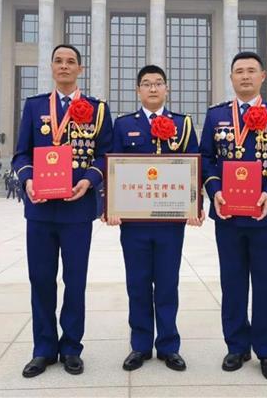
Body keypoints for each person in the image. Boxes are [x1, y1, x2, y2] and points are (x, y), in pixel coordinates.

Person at [12, 44, 113, 378]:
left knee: (75, 280)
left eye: (71, 62)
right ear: (51, 67)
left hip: (76, 209)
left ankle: (71, 347)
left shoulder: (97, 110)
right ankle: (43, 348)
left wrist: (89, 180)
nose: (65, 66)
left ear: (80, 69)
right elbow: (21, 154)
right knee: (40, 279)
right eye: (59, 61)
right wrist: (26, 180)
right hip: (40, 209)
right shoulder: (35, 106)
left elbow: (104, 154)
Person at [200, 51, 267, 381]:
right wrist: (214, 190)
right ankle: (237, 345)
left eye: (251, 71)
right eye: (238, 71)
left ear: (262, 77)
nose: (245, 76)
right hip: (228, 214)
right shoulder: (216, 117)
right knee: (232, 281)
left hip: (265, 215)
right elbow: (207, 159)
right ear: (231, 78)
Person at [105, 64, 202, 373]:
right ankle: (140, 345)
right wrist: (110, 206)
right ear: (138, 90)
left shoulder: (182, 124)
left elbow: (195, 168)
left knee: (167, 284)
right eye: (146, 83)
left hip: (170, 223)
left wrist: (195, 205)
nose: (152, 88)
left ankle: (169, 345)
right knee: (137, 284)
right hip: (133, 223)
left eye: (158, 83)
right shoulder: (123, 125)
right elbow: (112, 170)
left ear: (167, 89)